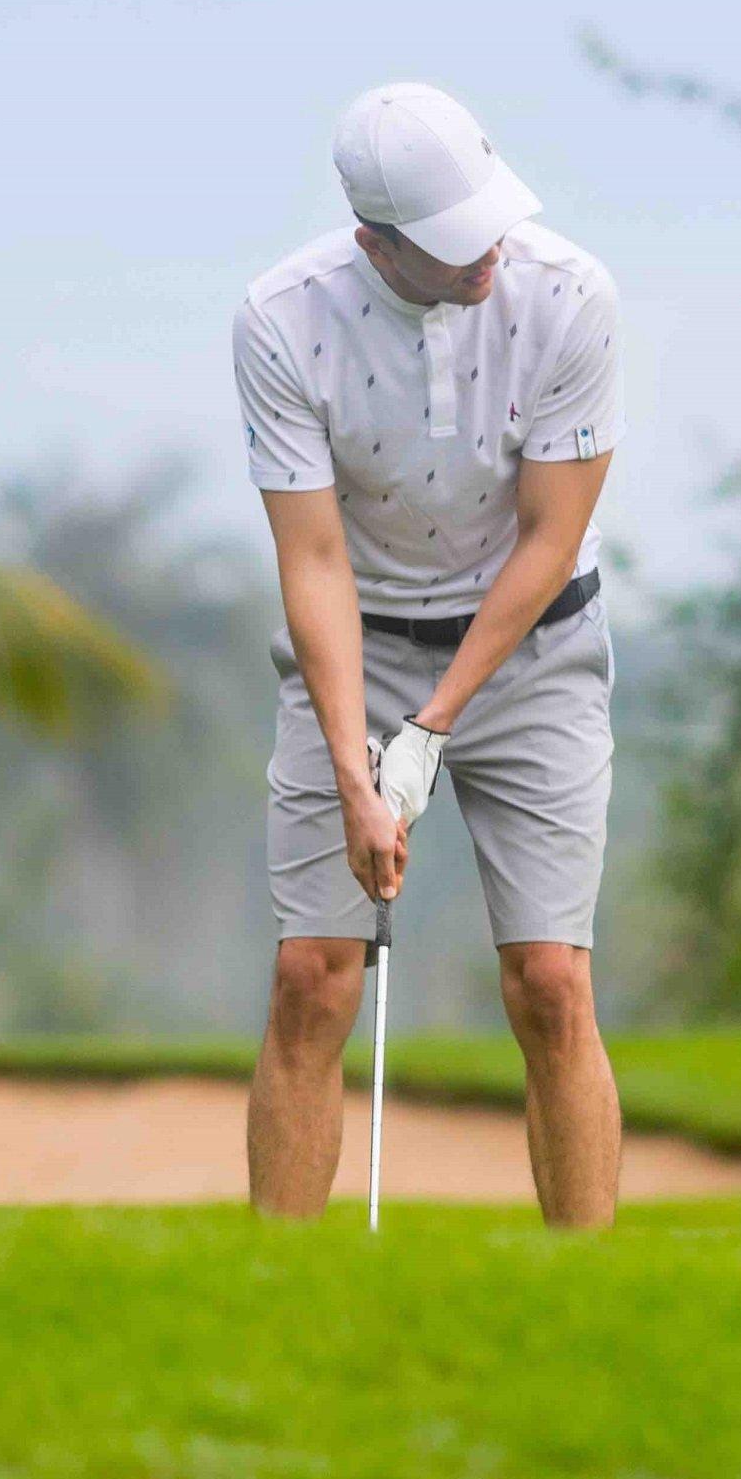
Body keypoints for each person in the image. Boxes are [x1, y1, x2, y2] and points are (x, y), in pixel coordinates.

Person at [234, 81, 624, 1227]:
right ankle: (278, 1291)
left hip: (534, 650)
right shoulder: (280, 318)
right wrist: (361, 775)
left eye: (488, 222)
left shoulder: (569, 296)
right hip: (357, 647)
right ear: (374, 242)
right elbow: (311, 559)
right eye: (452, 245)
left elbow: (550, 541)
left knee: (551, 981)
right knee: (313, 975)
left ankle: (589, 1290)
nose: (484, 255)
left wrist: (433, 726)